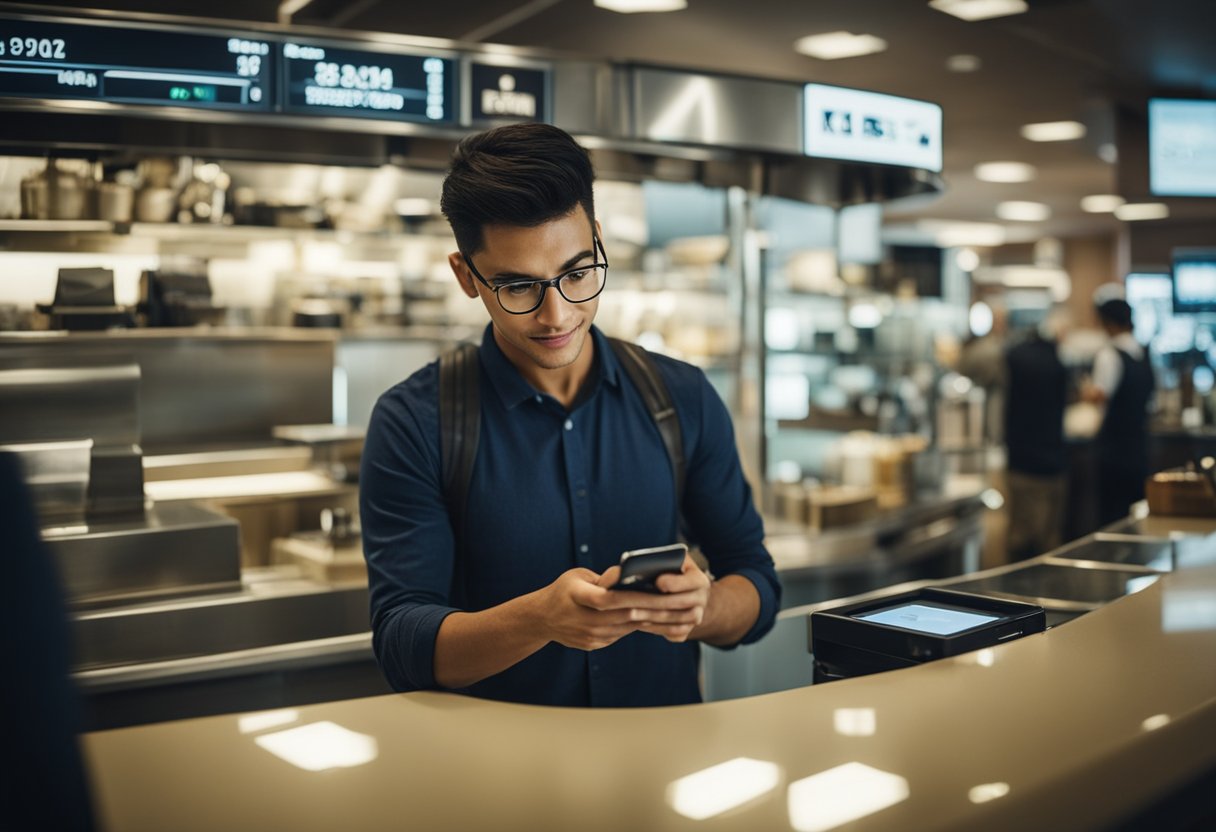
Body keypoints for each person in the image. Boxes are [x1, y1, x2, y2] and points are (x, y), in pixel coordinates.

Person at [360, 123, 780, 707]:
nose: (556, 314)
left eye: (578, 273)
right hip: (496, 772)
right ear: (467, 277)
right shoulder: (415, 421)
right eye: (518, 286)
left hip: (663, 754)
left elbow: (757, 584)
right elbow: (403, 645)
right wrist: (538, 620)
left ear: (599, 242)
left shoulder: (680, 396)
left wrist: (704, 607)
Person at [1083, 298, 1155, 526]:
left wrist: (1084, 391)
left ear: (1108, 323)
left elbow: (1099, 395)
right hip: (1140, 447)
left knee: (1111, 517)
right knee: (1136, 518)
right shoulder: (1143, 355)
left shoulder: (1109, 355)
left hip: (1113, 449)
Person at [1003, 312, 1070, 560]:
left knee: (1020, 534)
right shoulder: (1058, 364)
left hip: (1020, 459)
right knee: (1048, 539)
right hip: (1052, 460)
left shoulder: (1014, 357)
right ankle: (1046, 592)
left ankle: (1012, 591)